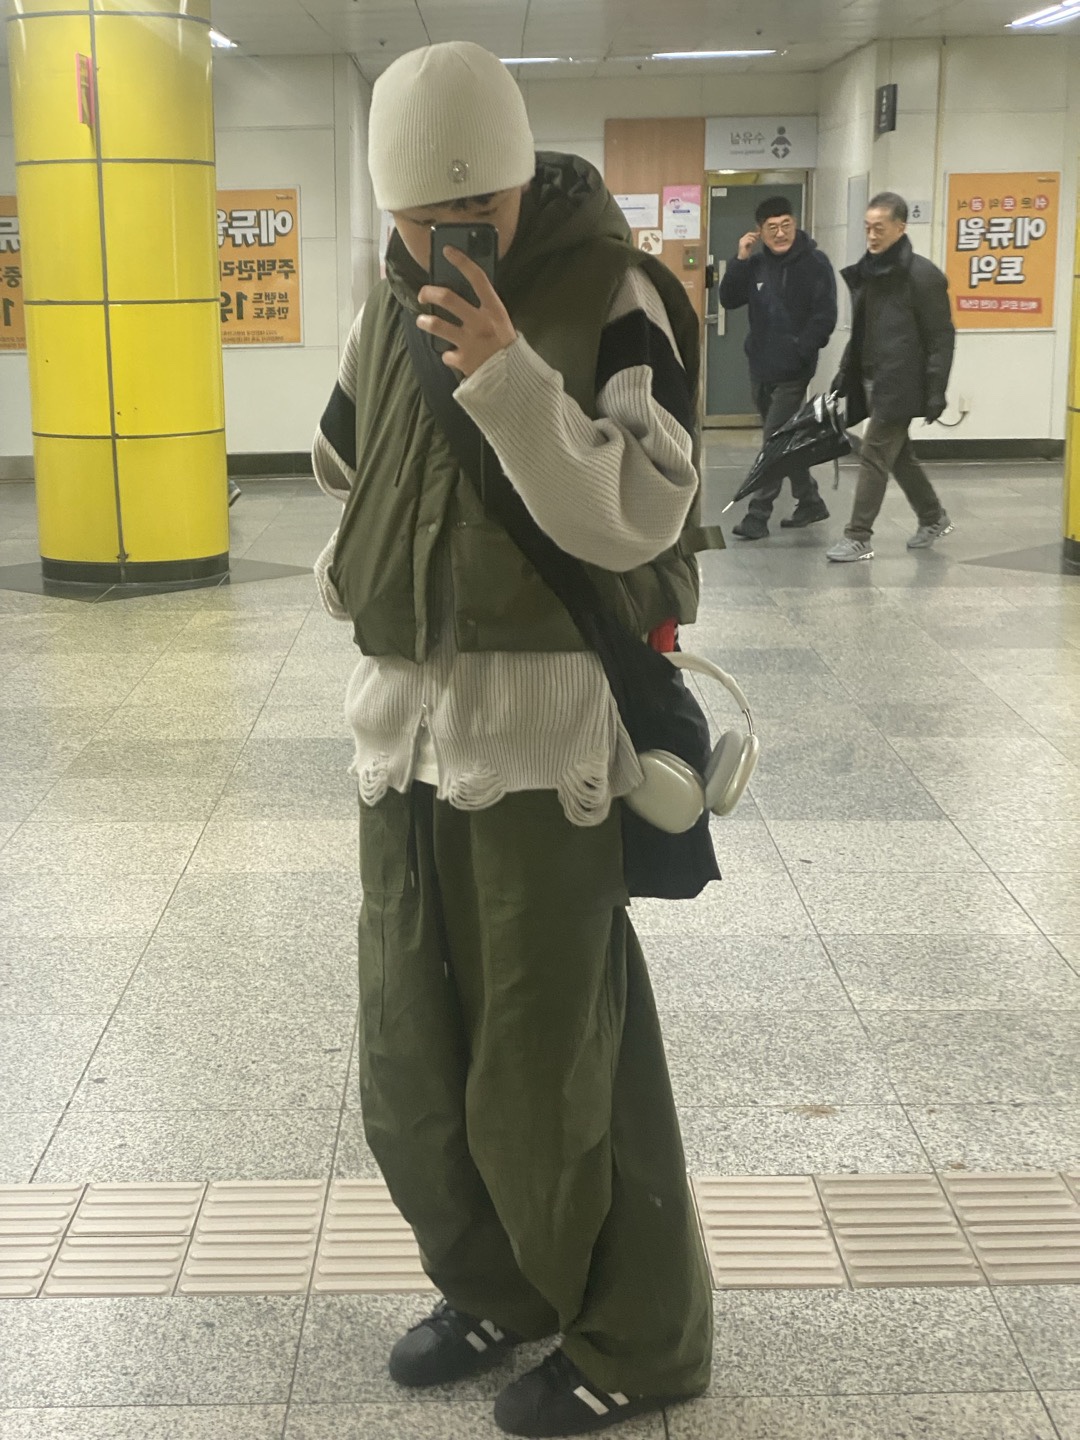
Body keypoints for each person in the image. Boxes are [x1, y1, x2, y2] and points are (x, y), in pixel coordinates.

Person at [311, 42, 713, 1439]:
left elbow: (640, 516)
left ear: (519, 177)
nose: (448, 239)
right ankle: (497, 1286)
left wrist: (508, 379)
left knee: (555, 1064)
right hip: (401, 735)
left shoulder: (618, 293)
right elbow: (345, 456)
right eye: (421, 218)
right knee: (411, 1065)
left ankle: (642, 1339)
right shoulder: (387, 291)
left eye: (474, 209)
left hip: (544, 747)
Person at [827, 191, 955, 562]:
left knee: (873, 454)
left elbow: (941, 337)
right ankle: (933, 516)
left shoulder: (923, 276)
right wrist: (844, 372)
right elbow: (862, 331)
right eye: (867, 228)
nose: (871, 236)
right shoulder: (870, 272)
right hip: (872, 378)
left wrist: (936, 390)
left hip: (902, 382)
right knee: (899, 457)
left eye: (879, 228)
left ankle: (858, 536)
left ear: (900, 228)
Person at [719, 195, 837, 539]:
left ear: (795, 224)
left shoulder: (815, 263)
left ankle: (758, 515)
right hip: (761, 366)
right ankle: (810, 501)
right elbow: (729, 298)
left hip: (794, 370)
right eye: (772, 228)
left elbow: (825, 315)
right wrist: (740, 258)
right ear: (760, 231)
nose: (781, 233)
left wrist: (802, 349)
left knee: (773, 440)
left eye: (786, 225)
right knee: (786, 439)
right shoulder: (756, 265)